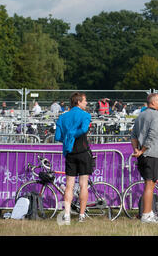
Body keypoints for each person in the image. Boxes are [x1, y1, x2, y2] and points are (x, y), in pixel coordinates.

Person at [54, 92, 92, 225]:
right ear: (79, 102)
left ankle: (67, 214)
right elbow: (83, 129)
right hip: (83, 151)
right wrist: (73, 133)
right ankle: (81, 215)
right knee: (83, 185)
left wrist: (68, 137)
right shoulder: (85, 115)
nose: (86, 103)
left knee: (69, 186)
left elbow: (57, 137)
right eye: (85, 101)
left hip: (69, 153)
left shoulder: (62, 118)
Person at [131, 93, 158, 224]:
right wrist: (142, 150)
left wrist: (136, 150)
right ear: (153, 102)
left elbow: (133, 135)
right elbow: (152, 135)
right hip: (151, 154)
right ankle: (146, 215)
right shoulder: (156, 115)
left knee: (149, 184)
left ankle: (149, 212)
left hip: (143, 155)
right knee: (150, 185)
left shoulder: (140, 115)